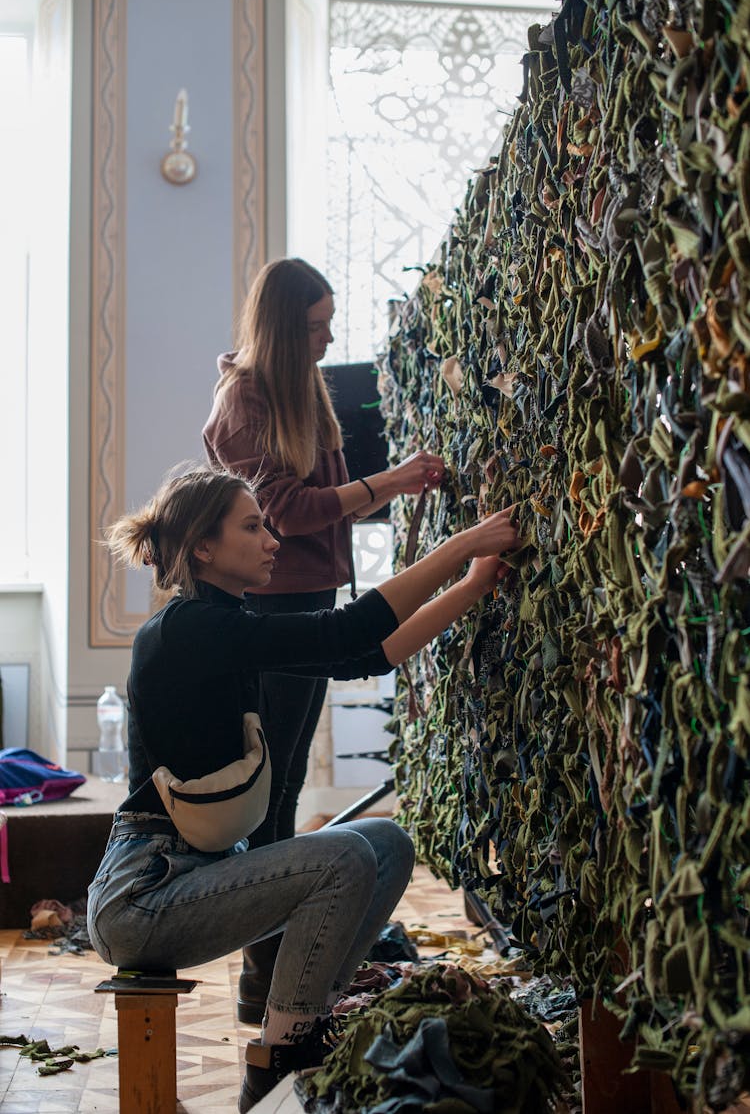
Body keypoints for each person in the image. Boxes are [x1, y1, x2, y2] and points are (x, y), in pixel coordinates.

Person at [86, 466, 520, 1111]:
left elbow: (363, 655)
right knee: (341, 854)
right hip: (145, 898)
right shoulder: (186, 630)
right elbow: (343, 631)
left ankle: (311, 1020)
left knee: (386, 841)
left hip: (193, 880)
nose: (272, 541)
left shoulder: (223, 627)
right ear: (204, 547)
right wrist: (463, 545)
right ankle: (284, 1058)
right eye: (253, 526)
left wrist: (477, 581)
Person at [202, 257, 446, 1023]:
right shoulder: (245, 398)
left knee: (282, 789)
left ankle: (273, 979)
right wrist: (392, 482)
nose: (327, 337)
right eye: (314, 327)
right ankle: (267, 986)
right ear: (280, 327)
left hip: (302, 593)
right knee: (272, 799)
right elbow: (287, 511)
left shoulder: (294, 384)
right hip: (275, 605)